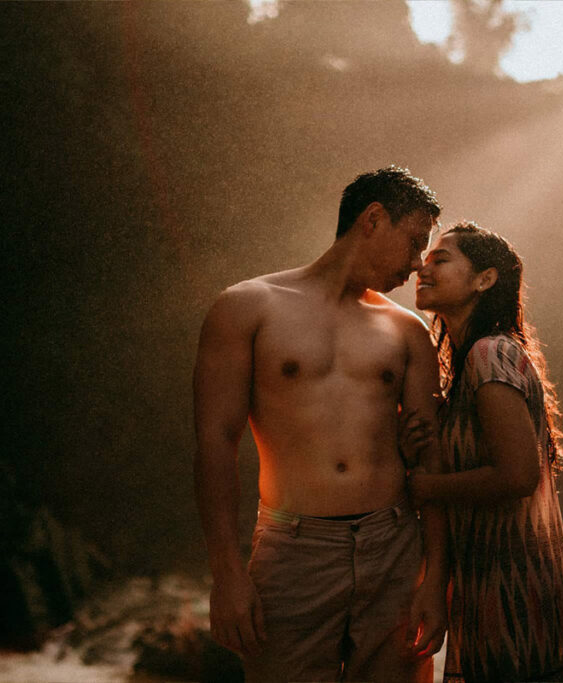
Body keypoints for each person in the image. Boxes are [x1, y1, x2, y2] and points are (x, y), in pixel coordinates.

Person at [193, 166, 448, 683]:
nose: (418, 264)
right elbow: (214, 444)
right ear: (373, 219)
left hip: (394, 547)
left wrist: (435, 581)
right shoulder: (247, 307)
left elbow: (432, 461)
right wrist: (226, 575)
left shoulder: (408, 330)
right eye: (414, 242)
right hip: (293, 551)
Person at [401, 221, 563, 682]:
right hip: (490, 585)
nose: (424, 266)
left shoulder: (490, 356)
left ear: (485, 279)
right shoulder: (468, 369)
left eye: (442, 260)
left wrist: (424, 487)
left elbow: (518, 476)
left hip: (519, 588)